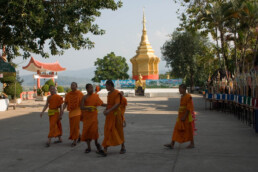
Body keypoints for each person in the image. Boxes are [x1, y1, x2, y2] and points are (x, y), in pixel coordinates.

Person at [164, 84, 195, 149]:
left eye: (180, 89)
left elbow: (188, 108)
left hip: (186, 116)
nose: (179, 90)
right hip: (180, 116)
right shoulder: (182, 96)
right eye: (179, 89)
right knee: (176, 129)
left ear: (184, 89)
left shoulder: (188, 96)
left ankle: (192, 143)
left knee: (189, 130)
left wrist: (184, 116)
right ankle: (172, 143)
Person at [99, 80, 126, 156]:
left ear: (110, 85)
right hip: (109, 115)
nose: (106, 87)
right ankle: (105, 148)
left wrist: (109, 110)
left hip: (116, 115)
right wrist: (106, 110)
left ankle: (123, 147)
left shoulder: (117, 93)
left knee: (119, 131)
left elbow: (117, 104)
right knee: (108, 130)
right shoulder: (109, 93)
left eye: (107, 86)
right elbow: (110, 104)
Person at [80, 83, 106, 153]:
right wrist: (87, 108)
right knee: (87, 131)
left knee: (94, 131)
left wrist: (109, 105)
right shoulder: (84, 97)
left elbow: (101, 103)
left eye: (92, 88)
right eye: (89, 88)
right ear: (87, 89)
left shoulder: (95, 96)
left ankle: (96, 143)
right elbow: (81, 107)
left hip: (93, 116)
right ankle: (88, 147)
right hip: (87, 117)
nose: (91, 89)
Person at [62, 82, 84, 147]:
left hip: (78, 112)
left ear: (76, 86)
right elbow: (65, 103)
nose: (72, 86)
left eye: (73, 85)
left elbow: (83, 103)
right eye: (71, 85)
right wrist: (62, 110)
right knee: (72, 127)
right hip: (71, 113)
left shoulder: (80, 94)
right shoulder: (68, 94)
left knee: (76, 127)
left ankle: (75, 140)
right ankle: (79, 136)